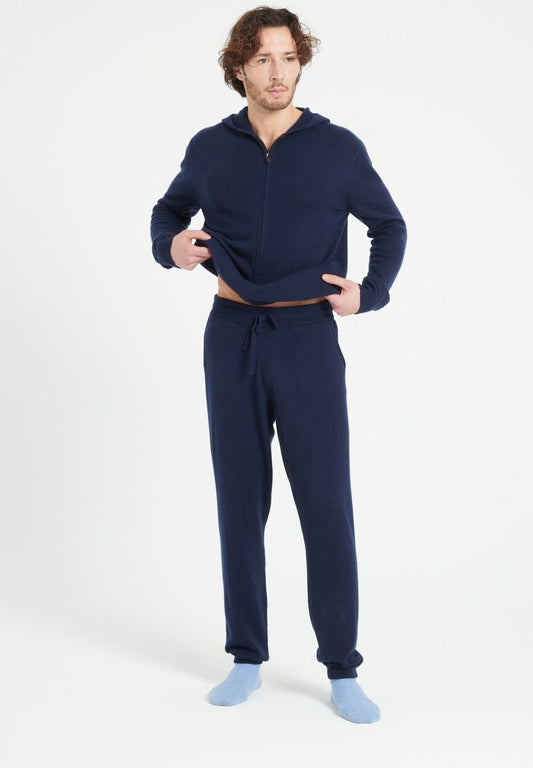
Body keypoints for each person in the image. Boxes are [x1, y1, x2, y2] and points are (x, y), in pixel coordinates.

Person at [150, 6, 406, 724]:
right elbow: (167, 212)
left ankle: (342, 668)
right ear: (239, 67)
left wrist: (370, 292)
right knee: (240, 501)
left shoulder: (337, 148)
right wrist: (171, 246)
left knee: (325, 503)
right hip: (230, 333)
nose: (278, 72)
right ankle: (246, 657)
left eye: (289, 57)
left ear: (301, 62)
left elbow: (388, 224)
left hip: (306, 340)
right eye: (263, 58)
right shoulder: (210, 147)